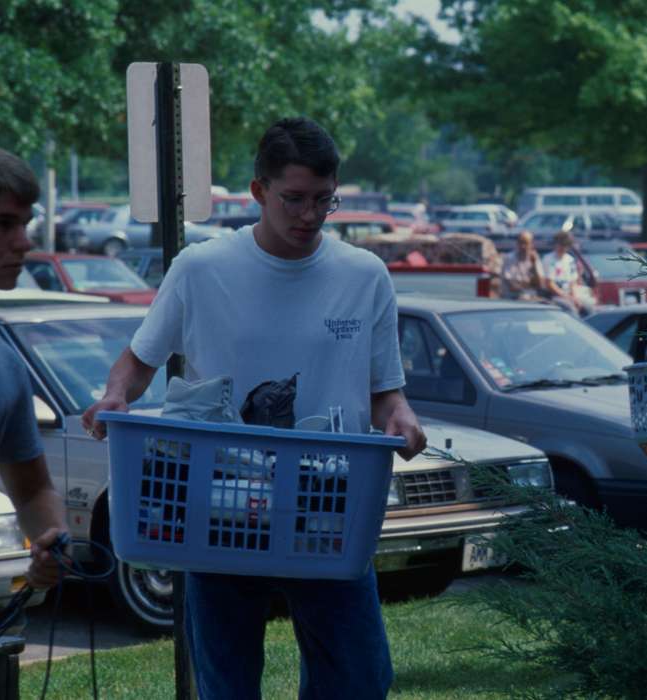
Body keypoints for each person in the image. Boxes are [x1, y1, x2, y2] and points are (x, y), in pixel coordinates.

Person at [82, 118, 426, 699]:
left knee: (361, 677)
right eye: (293, 199)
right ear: (259, 191)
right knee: (228, 682)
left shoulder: (364, 275)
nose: (310, 216)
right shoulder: (201, 268)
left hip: (329, 511)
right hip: (219, 508)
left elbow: (385, 391)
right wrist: (115, 395)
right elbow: (139, 360)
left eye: (325, 200)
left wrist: (401, 417)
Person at [0, 145, 69, 591]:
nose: (24, 241)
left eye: (24, 223)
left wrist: (49, 540)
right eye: (2, 223)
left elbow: (34, 490)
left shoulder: (2, 364)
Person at [541, 230, 595, 316]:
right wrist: (568, 297)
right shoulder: (548, 259)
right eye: (560, 244)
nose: (562, 247)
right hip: (554, 295)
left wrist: (574, 298)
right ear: (555, 244)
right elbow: (550, 284)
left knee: (589, 306)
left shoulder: (570, 260)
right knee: (571, 309)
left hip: (569, 293)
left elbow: (572, 283)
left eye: (565, 245)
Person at [500, 230, 549, 301]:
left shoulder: (534, 258)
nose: (523, 246)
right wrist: (530, 284)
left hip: (531, 297)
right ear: (517, 243)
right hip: (512, 299)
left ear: (531, 244)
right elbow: (513, 286)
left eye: (526, 243)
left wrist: (534, 265)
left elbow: (540, 284)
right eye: (521, 243)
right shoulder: (509, 258)